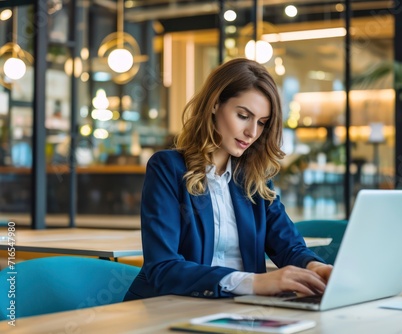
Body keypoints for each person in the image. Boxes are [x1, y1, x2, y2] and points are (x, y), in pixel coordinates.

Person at [124, 58, 332, 301]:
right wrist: (252, 282)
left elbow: (289, 247)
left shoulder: (255, 179)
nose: (252, 133)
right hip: (169, 308)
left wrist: (315, 268)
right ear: (215, 104)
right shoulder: (167, 168)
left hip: (238, 311)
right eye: (243, 115)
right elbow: (163, 267)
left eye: (262, 123)